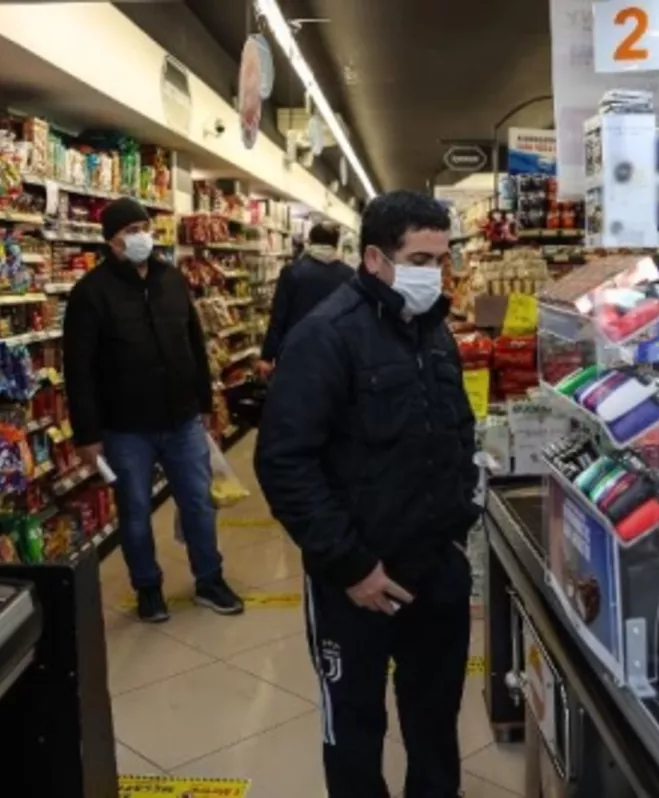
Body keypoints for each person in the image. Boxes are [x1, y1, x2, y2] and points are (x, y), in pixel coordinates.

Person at [254, 190, 478, 797]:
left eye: (442, 259)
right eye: (422, 260)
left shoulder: (434, 332)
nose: (436, 274)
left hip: (435, 566)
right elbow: (283, 463)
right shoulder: (325, 337)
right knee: (354, 729)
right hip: (355, 580)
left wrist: (460, 524)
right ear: (375, 259)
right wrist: (352, 566)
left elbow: (455, 428)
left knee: (435, 723)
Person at [63, 197, 244, 623]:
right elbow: (78, 369)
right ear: (111, 241)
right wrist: (87, 435)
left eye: (144, 226)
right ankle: (147, 587)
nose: (142, 235)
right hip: (126, 428)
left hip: (181, 418)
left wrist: (205, 402)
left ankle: (210, 579)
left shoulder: (172, 280)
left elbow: (195, 344)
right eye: (130, 231)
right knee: (136, 514)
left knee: (199, 504)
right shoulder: (90, 293)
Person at [256, 221, 354, 378]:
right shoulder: (349, 275)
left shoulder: (292, 272)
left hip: (295, 352)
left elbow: (279, 316)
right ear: (336, 243)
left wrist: (267, 357)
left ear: (310, 241)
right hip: (335, 354)